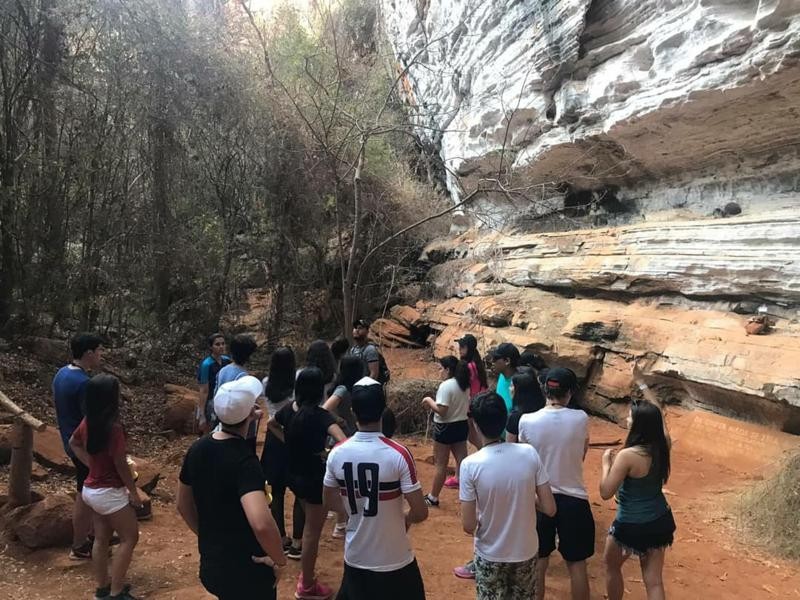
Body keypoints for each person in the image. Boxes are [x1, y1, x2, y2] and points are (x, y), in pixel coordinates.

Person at [178, 376, 287, 600]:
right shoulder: (245, 461)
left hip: (213, 564)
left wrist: (207, 536)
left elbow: (182, 504)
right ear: (250, 414)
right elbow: (261, 523)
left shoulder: (197, 449)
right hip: (247, 570)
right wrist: (279, 560)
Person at [324, 377, 428, 600]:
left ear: (352, 411)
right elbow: (420, 512)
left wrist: (355, 511)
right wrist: (404, 519)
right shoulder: (399, 454)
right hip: (395, 559)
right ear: (383, 410)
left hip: (356, 557)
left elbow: (329, 501)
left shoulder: (337, 453)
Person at [460, 391, 556, 600]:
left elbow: (468, 525)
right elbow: (550, 508)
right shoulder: (529, 453)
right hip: (525, 550)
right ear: (505, 419)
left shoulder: (469, 465)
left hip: (490, 553)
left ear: (475, 424)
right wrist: (525, 498)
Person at [268, 367, 347, 600]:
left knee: (310, 525)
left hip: (294, 475)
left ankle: (308, 577)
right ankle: (307, 585)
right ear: (319, 390)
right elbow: (343, 442)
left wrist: (289, 442)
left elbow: (271, 424)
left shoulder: (289, 409)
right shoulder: (320, 416)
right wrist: (327, 453)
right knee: (312, 532)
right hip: (314, 479)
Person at [518, 367, 593, 600]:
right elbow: (582, 453)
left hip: (539, 498)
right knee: (577, 565)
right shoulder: (581, 418)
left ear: (545, 390)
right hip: (574, 497)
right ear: (570, 392)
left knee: (539, 563)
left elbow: (525, 460)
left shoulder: (526, 421)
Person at [69, 374, 141, 600]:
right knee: (130, 538)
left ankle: (102, 589)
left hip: (91, 490)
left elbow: (73, 443)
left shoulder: (88, 420)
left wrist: (91, 464)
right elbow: (120, 463)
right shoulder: (113, 428)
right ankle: (116, 592)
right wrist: (133, 491)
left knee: (101, 538)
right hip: (109, 492)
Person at [600, 396, 675, 600]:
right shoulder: (663, 446)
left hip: (630, 523)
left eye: (630, 417)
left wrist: (606, 464)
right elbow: (660, 420)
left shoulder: (628, 456)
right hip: (659, 520)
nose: (627, 419)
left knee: (611, 565)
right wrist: (645, 390)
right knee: (654, 581)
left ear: (639, 424)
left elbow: (605, 492)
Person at [53, 332, 105, 560]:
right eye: (99, 350)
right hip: (82, 447)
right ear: (89, 353)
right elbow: (90, 421)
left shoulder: (61, 374)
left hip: (69, 439)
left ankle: (94, 534)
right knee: (85, 494)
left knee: (87, 491)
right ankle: (80, 544)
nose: (101, 355)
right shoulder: (84, 384)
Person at [259, 346, 304, 560]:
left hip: (273, 438)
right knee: (300, 491)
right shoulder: (297, 382)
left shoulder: (266, 383)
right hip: (294, 435)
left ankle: (281, 538)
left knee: (275, 491)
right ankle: (297, 542)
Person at [322, 355, 365, 539]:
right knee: (345, 483)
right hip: (344, 438)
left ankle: (337, 518)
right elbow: (325, 409)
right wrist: (338, 420)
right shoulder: (345, 389)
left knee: (343, 481)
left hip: (346, 438)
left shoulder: (348, 387)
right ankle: (340, 524)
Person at [421, 356, 470, 506]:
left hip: (445, 428)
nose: (440, 372)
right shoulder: (464, 384)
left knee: (440, 464)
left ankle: (433, 497)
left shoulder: (446, 386)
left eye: (441, 368)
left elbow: (442, 411)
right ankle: (468, 494)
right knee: (462, 461)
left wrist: (428, 400)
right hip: (461, 425)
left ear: (448, 370)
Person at [214, 334, 259, 450]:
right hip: (243, 431)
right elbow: (247, 407)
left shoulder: (223, 370)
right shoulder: (244, 377)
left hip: (224, 424)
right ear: (249, 356)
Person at [323, 356, 366, 437]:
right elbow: (325, 409)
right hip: (343, 435)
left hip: (353, 434)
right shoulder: (343, 390)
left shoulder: (356, 388)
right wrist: (339, 420)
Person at [197, 333, 230, 435]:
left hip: (225, 401)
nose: (221, 346)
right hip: (211, 403)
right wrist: (201, 414)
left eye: (223, 344)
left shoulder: (227, 361)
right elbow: (203, 390)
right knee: (211, 432)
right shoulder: (206, 364)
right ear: (211, 347)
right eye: (217, 344)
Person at [505, 371, 546, 443]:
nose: (509, 388)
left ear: (519, 390)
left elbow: (509, 443)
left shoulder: (515, 417)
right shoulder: (544, 407)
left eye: (512, 386)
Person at [488, 343, 520, 412]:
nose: (492, 361)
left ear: (507, 361)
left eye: (495, 359)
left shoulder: (518, 385)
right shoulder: (502, 374)